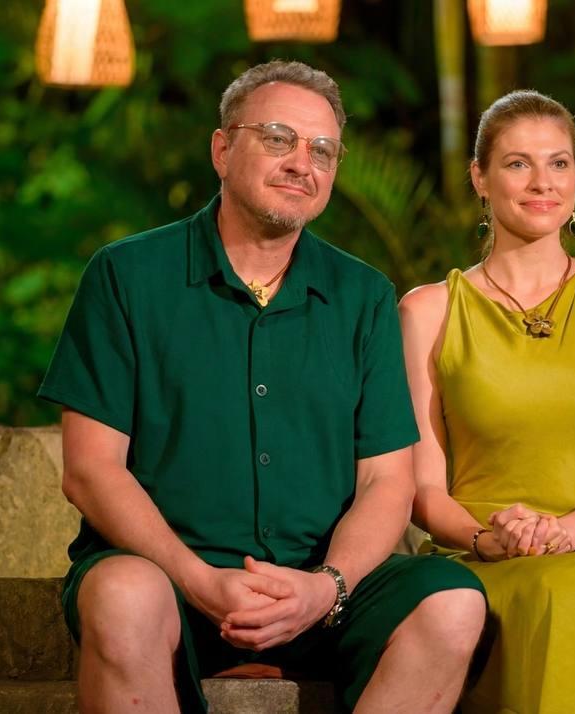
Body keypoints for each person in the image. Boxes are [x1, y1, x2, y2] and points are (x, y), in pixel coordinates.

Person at [39, 60, 485, 714]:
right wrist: (198, 580)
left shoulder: (363, 296)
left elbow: (387, 481)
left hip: (324, 595)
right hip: (169, 580)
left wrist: (326, 587)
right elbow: (89, 469)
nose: (303, 163)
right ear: (222, 150)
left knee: (453, 601)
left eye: (323, 150)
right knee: (121, 594)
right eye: (279, 139)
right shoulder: (126, 276)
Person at [399, 90, 575, 713]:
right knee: (538, 592)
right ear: (480, 179)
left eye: (559, 163)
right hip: (482, 552)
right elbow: (422, 490)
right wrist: (488, 540)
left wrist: (561, 533)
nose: (542, 183)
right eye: (517, 163)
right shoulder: (427, 312)